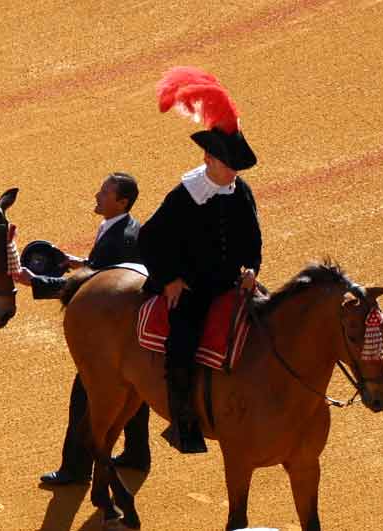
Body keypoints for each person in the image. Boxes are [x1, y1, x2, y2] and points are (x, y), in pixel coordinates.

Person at [138, 66, 261, 453]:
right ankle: (184, 423)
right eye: (229, 165)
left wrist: (252, 270)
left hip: (230, 283)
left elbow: (252, 239)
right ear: (209, 157)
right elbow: (150, 238)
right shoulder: (184, 195)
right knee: (182, 345)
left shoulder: (239, 192)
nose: (234, 172)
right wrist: (169, 280)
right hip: (192, 287)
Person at [12, 172, 151, 485]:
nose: (97, 195)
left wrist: (36, 281)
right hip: (127, 331)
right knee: (134, 390)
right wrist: (75, 261)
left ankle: (75, 470)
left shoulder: (123, 239)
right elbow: (99, 269)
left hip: (110, 333)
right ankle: (137, 455)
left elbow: (96, 287)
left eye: (104, 193)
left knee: (84, 397)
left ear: (121, 202)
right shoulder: (120, 226)